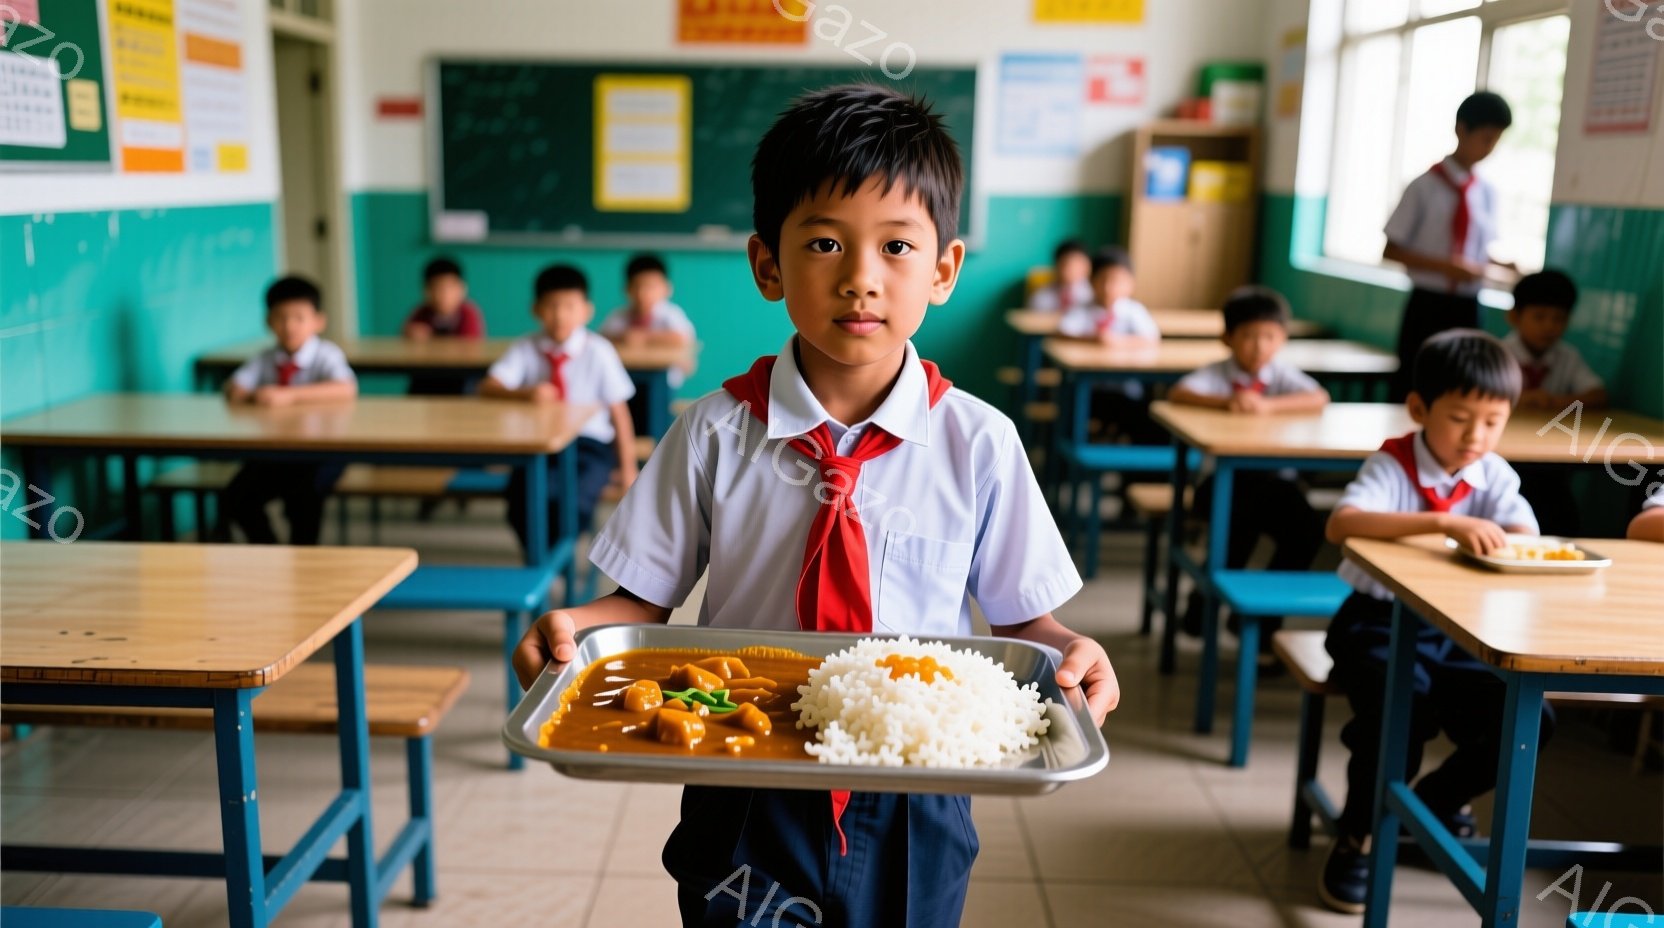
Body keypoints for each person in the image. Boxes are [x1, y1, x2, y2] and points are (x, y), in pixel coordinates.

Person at [511, 84, 1118, 928]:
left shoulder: (979, 442)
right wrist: (571, 629)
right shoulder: (714, 431)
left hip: (918, 784)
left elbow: (1025, 630)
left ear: (943, 270)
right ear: (769, 265)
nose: (862, 279)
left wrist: (1071, 651)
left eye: (898, 246)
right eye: (826, 242)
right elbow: (638, 605)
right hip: (741, 770)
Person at [1319, 329, 1549, 913]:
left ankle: (1428, 806)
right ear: (1420, 409)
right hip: (1378, 622)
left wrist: (1504, 538)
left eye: (1493, 421)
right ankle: (1359, 836)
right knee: (1401, 712)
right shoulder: (1393, 463)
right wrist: (1443, 526)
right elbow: (1342, 525)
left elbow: (1525, 534)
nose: (1476, 436)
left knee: (1527, 718)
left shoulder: (1493, 474)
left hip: (1465, 631)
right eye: (1460, 418)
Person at [1168, 287, 1330, 649]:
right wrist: (1229, 401)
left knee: (1306, 531)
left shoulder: (1283, 376)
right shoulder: (1218, 374)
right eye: (1249, 336)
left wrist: (1268, 407)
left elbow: (1319, 397)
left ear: (1283, 339)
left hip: (1273, 486)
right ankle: (1206, 604)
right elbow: (1179, 393)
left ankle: (1256, 620)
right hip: (1220, 485)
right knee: (1238, 523)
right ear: (1228, 338)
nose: (1259, 347)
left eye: (1269, 337)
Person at [479, 264, 637, 550]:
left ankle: (555, 559)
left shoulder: (599, 350)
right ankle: (540, 561)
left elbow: (619, 414)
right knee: (521, 500)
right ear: (536, 309)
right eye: (552, 306)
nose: (560, 315)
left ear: (587, 310)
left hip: (589, 447)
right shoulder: (526, 347)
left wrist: (628, 470)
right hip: (538, 446)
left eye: (569, 306)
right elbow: (488, 387)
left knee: (574, 500)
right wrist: (526, 393)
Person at [1383, 91, 1517, 401]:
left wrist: (1500, 265)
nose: (1489, 148)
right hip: (1428, 304)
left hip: (1469, 305)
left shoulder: (1487, 192)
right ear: (1461, 129)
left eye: (1496, 140)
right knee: (1415, 385)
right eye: (1485, 137)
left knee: (1462, 386)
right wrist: (1447, 267)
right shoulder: (1423, 187)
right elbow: (1391, 250)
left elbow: (1477, 251)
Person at [223, 275, 357, 545]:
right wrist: (255, 395)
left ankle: (302, 561)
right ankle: (271, 551)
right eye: (281, 317)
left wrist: (289, 396)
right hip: (277, 451)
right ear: (268, 321)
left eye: (299, 317)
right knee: (235, 498)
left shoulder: (326, 354)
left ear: (319, 321)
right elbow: (233, 388)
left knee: (304, 498)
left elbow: (346, 388)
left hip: (322, 453)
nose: (289, 326)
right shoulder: (266, 358)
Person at [1502, 269, 1606, 535]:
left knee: (1559, 511)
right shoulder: (1499, 354)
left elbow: (1598, 394)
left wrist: (1554, 400)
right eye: (1539, 317)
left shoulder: (1567, 357)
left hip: (1552, 460)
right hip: (1505, 457)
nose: (1549, 326)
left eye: (1558, 319)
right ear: (1514, 317)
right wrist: (1520, 399)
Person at [1056, 245, 1165, 445]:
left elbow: (1152, 338)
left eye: (1116, 281)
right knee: (1071, 410)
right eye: (1102, 280)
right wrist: (1092, 339)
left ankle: (1133, 471)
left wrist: (1119, 342)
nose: (1108, 287)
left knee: (1149, 417)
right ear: (1091, 282)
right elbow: (1063, 332)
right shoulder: (1083, 310)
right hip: (1090, 390)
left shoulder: (1133, 310)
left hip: (1126, 390)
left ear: (1130, 284)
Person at [599, 252, 697, 390]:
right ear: (627, 289)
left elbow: (682, 338)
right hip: (626, 372)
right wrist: (623, 337)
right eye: (637, 286)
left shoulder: (671, 314)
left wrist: (644, 336)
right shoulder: (619, 315)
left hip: (663, 376)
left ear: (666, 288)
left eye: (651, 286)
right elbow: (601, 338)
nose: (643, 293)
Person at [403, 256, 487, 395]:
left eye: (449, 287)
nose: (444, 294)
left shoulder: (469, 313)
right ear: (426, 290)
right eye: (437, 288)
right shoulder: (420, 313)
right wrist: (409, 334)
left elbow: (469, 346)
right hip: (428, 375)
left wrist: (430, 340)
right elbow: (405, 341)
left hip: (460, 377)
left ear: (462, 289)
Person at [1028, 239, 1092, 312]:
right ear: (1056, 265)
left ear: (1088, 266)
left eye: (1077, 263)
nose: (1071, 268)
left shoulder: (1095, 295)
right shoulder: (1040, 298)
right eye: (1066, 263)